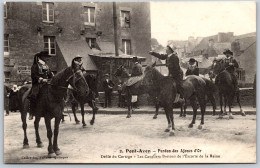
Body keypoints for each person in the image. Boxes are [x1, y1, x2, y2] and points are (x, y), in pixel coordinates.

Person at [28, 51, 53, 120]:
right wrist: (42, 79)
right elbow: (33, 75)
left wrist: (53, 78)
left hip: (47, 83)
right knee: (33, 95)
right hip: (38, 84)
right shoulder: (35, 66)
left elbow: (50, 75)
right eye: (46, 57)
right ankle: (31, 112)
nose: (47, 58)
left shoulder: (46, 66)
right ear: (41, 57)